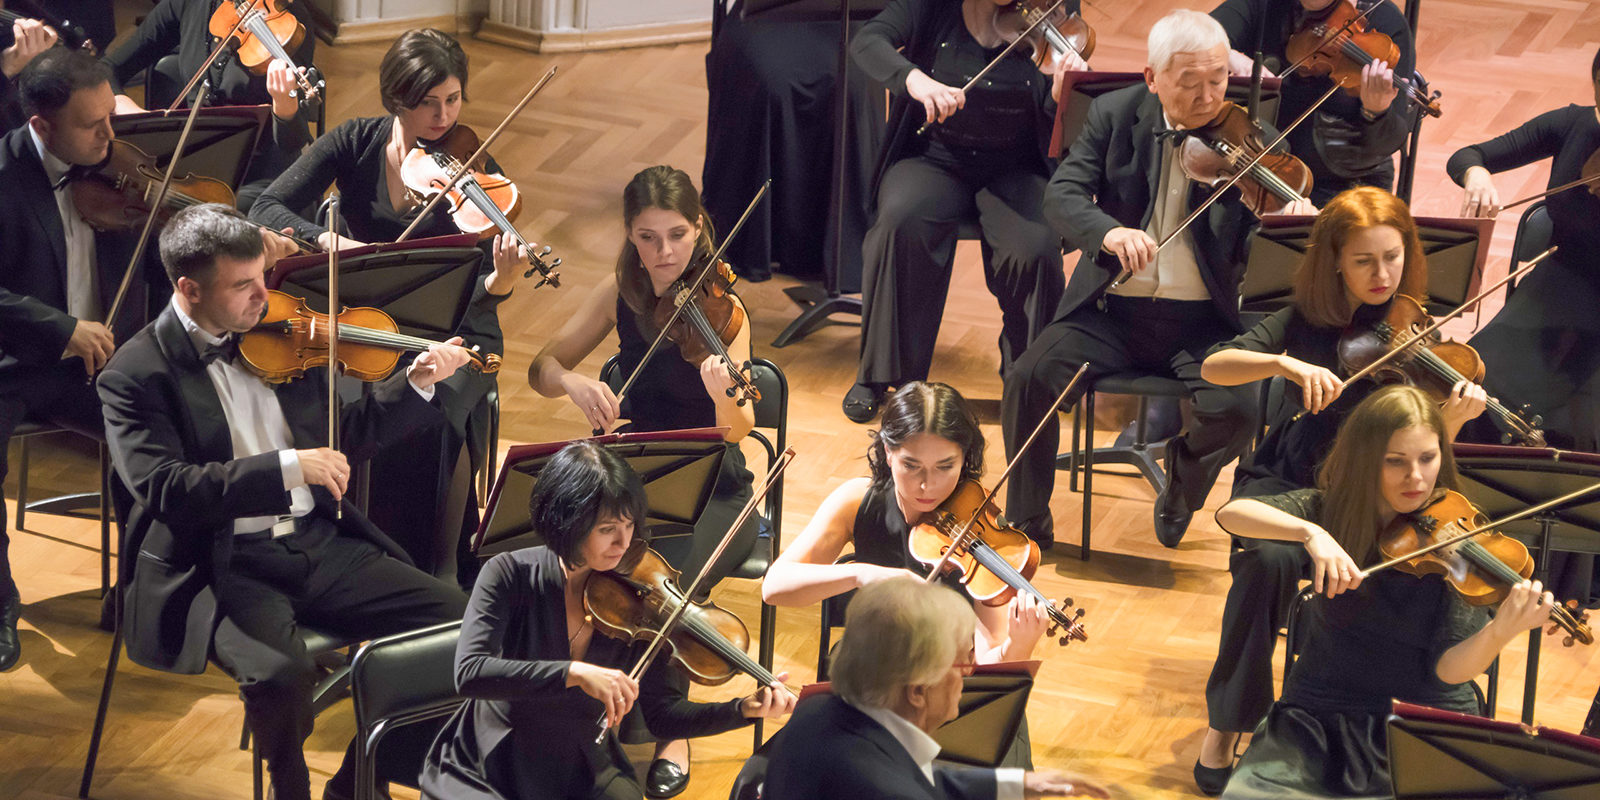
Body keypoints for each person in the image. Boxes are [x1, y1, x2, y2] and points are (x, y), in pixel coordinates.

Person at [97, 203, 472, 800]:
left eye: (261, 279)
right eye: (242, 285)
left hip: (316, 543)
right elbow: (167, 488)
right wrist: (287, 468)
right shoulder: (135, 374)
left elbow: (344, 435)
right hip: (220, 564)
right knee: (280, 676)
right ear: (188, 288)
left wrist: (417, 383)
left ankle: (356, 782)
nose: (261, 297)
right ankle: (290, 789)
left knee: (464, 627)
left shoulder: (279, 333)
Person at [1190, 187, 1487, 794]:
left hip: (1382, 501)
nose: (1382, 275)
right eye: (1363, 261)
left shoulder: (1417, 330)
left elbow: (1426, 457)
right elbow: (1213, 366)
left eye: (1393, 257)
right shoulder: (1304, 323)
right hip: (1298, 485)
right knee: (1267, 559)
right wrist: (1282, 364)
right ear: (1334, 262)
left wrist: (1449, 428)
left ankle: (1361, 705)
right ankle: (1228, 723)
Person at [1001, 9, 1313, 551]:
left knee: (1239, 408)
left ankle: (1182, 485)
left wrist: (1287, 223)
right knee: (1028, 378)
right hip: (1112, 312)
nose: (1208, 96)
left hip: (1201, 322)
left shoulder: (1251, 138)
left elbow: (1253, 255)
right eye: (1189, 83)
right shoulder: (1114, 114)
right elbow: (1063, 194)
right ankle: (1027, 523)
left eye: (1218, 79)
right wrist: (1109, 233)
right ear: (1152, 78)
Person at [253, 28, 524, 587]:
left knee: (437, 412)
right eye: (429, 102)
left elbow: (473, 287)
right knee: (340, 407)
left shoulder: (470, 164)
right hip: (364, 326)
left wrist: (500, 283)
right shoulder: (356, 142)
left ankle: (437, 569)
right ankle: (351, 555)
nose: (443, 116)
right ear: (397, 97)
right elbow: (265, 203)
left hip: (454, 329)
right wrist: (335, 244)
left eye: (453, 100)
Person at [528, 165, 760, 796]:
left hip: (713, 480)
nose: (664, 253)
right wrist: (573, 383)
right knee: (581, 558)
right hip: (633, 475)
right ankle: (576, 705)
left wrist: (722, 396)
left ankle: (670, 728)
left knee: (661, 576)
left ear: (700, 228)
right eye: (648, 237)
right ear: (630, 236)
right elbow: (543, 365)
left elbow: (739, 428)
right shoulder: (619, 292)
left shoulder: (724, 307)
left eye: (678, 235)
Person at [1213, 384, 1557, 799]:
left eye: (1428, 459)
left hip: (1426, 720)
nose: (1416, 478)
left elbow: (1450, 671)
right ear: (1365, 462)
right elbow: (1232, 514)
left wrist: (1501, 631)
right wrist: (1311, 532)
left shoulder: (1456, 540)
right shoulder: (1332, 511)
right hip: (1318, 716)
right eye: (1396, 462)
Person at [420, 440, 794, 800]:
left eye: (629, 525)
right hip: (494, 757)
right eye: (606, 530)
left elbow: (662, 716)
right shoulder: (508, 573)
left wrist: (742, 709)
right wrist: (575, 672)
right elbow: (470, 672)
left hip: (578, 760)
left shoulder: (641, 599)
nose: (623, 543)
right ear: (566, 523)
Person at [764, 381, 1053, 765]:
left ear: (964, 457)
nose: (926, 485)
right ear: (887, 452)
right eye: (910, 465)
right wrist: (862, 575)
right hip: (876, 683)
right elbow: (775, 586)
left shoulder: (980, 531)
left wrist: (1021, 644)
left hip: (951, 696)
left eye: (944, 467)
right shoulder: (857, 500)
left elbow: (987, 665)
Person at [840, 0, 1089, 423]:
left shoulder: (1052, 14)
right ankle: (884, 374)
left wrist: (1060, 93)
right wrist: (913, 79)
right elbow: (867, 41)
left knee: (1036, 245)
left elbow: (1068, 125)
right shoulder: (930, 7)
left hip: (1017, 165)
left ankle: (1030, 373)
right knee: (900, 220)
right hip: (934, 158)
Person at [0, 47, 159, 672]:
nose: (109, 135)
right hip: (12, 362)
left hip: (98, 366)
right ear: (42, 126)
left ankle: (138, 593)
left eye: (108, 118)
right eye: (92, 126)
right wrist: (62, 328)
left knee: (155, 440)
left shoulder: (117, 169)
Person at [763, 576, 1110, 800]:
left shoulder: (817, 713)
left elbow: (916, 778)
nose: (971, 672)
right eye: (962, 664)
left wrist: (1019, 784)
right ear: (917, 690)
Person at [1448, 45, 1600, 453]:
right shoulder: (1574, 124)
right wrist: (1476, 175)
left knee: (1583, 426)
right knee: (1471, 384)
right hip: (1557, 281)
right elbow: (1467, 155)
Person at [100, 0, 317, 212]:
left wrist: (284, 105)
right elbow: (107, 69)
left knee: (201, 215)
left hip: (259, 175)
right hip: (195, 166)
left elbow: (292, 143)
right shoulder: (188, 5)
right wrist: (129, 109)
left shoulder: (288, 18)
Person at [1210, 0, 1419, 205]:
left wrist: (1377, 110)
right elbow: (1196, 34)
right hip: (1259, 165)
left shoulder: (1384, 21)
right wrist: (1230, 56)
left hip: (1340, 184)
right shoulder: (1270, 5)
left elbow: (1390, 143)